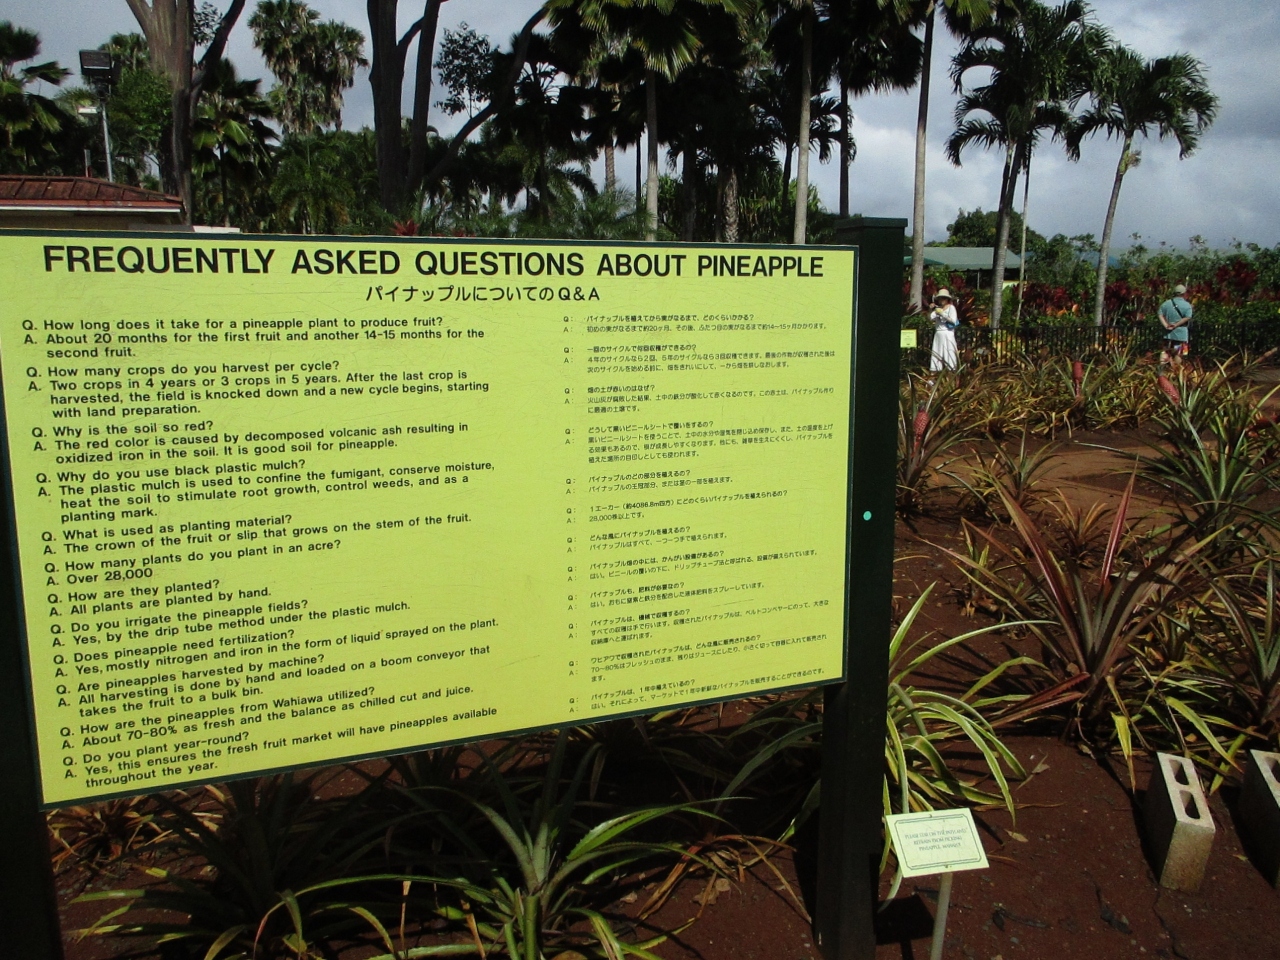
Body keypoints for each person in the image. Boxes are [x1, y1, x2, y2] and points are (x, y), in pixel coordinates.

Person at [1159, 283, 1193, 365]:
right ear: (1184, 293)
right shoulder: (1187, 305)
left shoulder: (1166, 303)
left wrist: (1166, 325)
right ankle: (1176, 370)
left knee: (1165, 351)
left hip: (1167, 333)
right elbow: (1188, 317)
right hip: (1181, 334)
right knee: (1179, 353)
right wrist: (1176, 325)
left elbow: (1160, 314)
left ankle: (1161, 369)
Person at [929, 289, 959, 372]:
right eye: (940, 298)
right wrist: (931, 310)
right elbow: (930, 318)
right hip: (938, 334)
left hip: (947, 334)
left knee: (948, 353)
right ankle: (936, 371)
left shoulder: (951, 308)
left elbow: (953, 320)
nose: (941, 300)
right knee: (937, 353)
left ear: (947, 299)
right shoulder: (938, 309)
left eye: (943, 298)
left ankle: (951, 371)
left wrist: (942, 314)